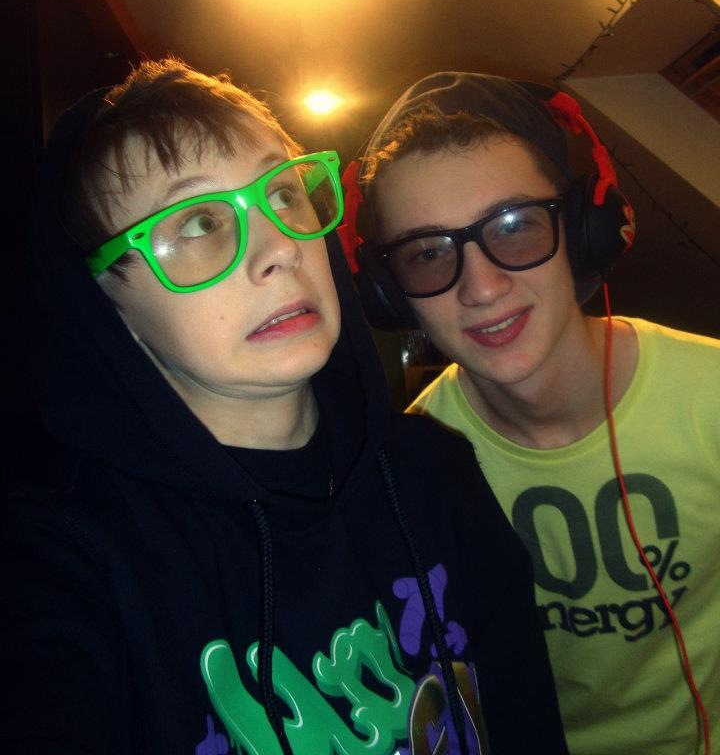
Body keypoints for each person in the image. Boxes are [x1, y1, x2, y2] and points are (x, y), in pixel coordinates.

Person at [1, 59, 568, 755]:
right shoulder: (62, 558)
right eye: (198, 222)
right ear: (108, 307)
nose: (279, 248)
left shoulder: (435, 472)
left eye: (284, 193)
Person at [350, 71, 720, 755]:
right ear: (389, 293)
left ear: (584, 230)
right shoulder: (412, 473)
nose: (482, 288)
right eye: (428, 254)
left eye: (515, 226)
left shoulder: (712, 393)